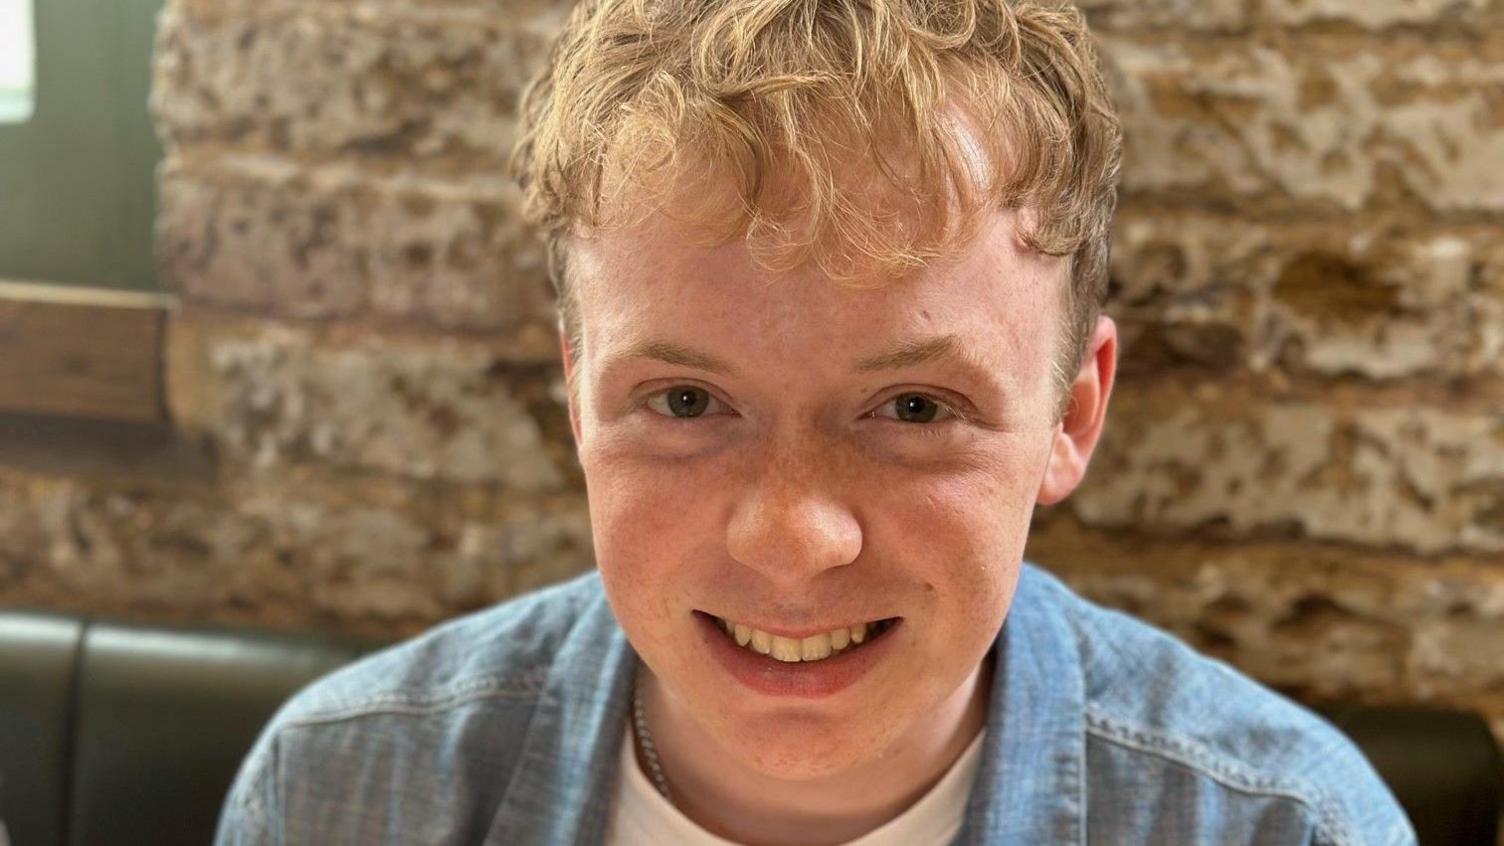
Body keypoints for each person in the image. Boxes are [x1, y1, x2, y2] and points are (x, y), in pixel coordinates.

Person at [215, 1, 1417, 843]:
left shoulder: (1286, 829)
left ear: (1072, 412)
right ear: (578, 392)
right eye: (685, 402)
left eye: (912, 407)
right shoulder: (335, 794)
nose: (792, 540)